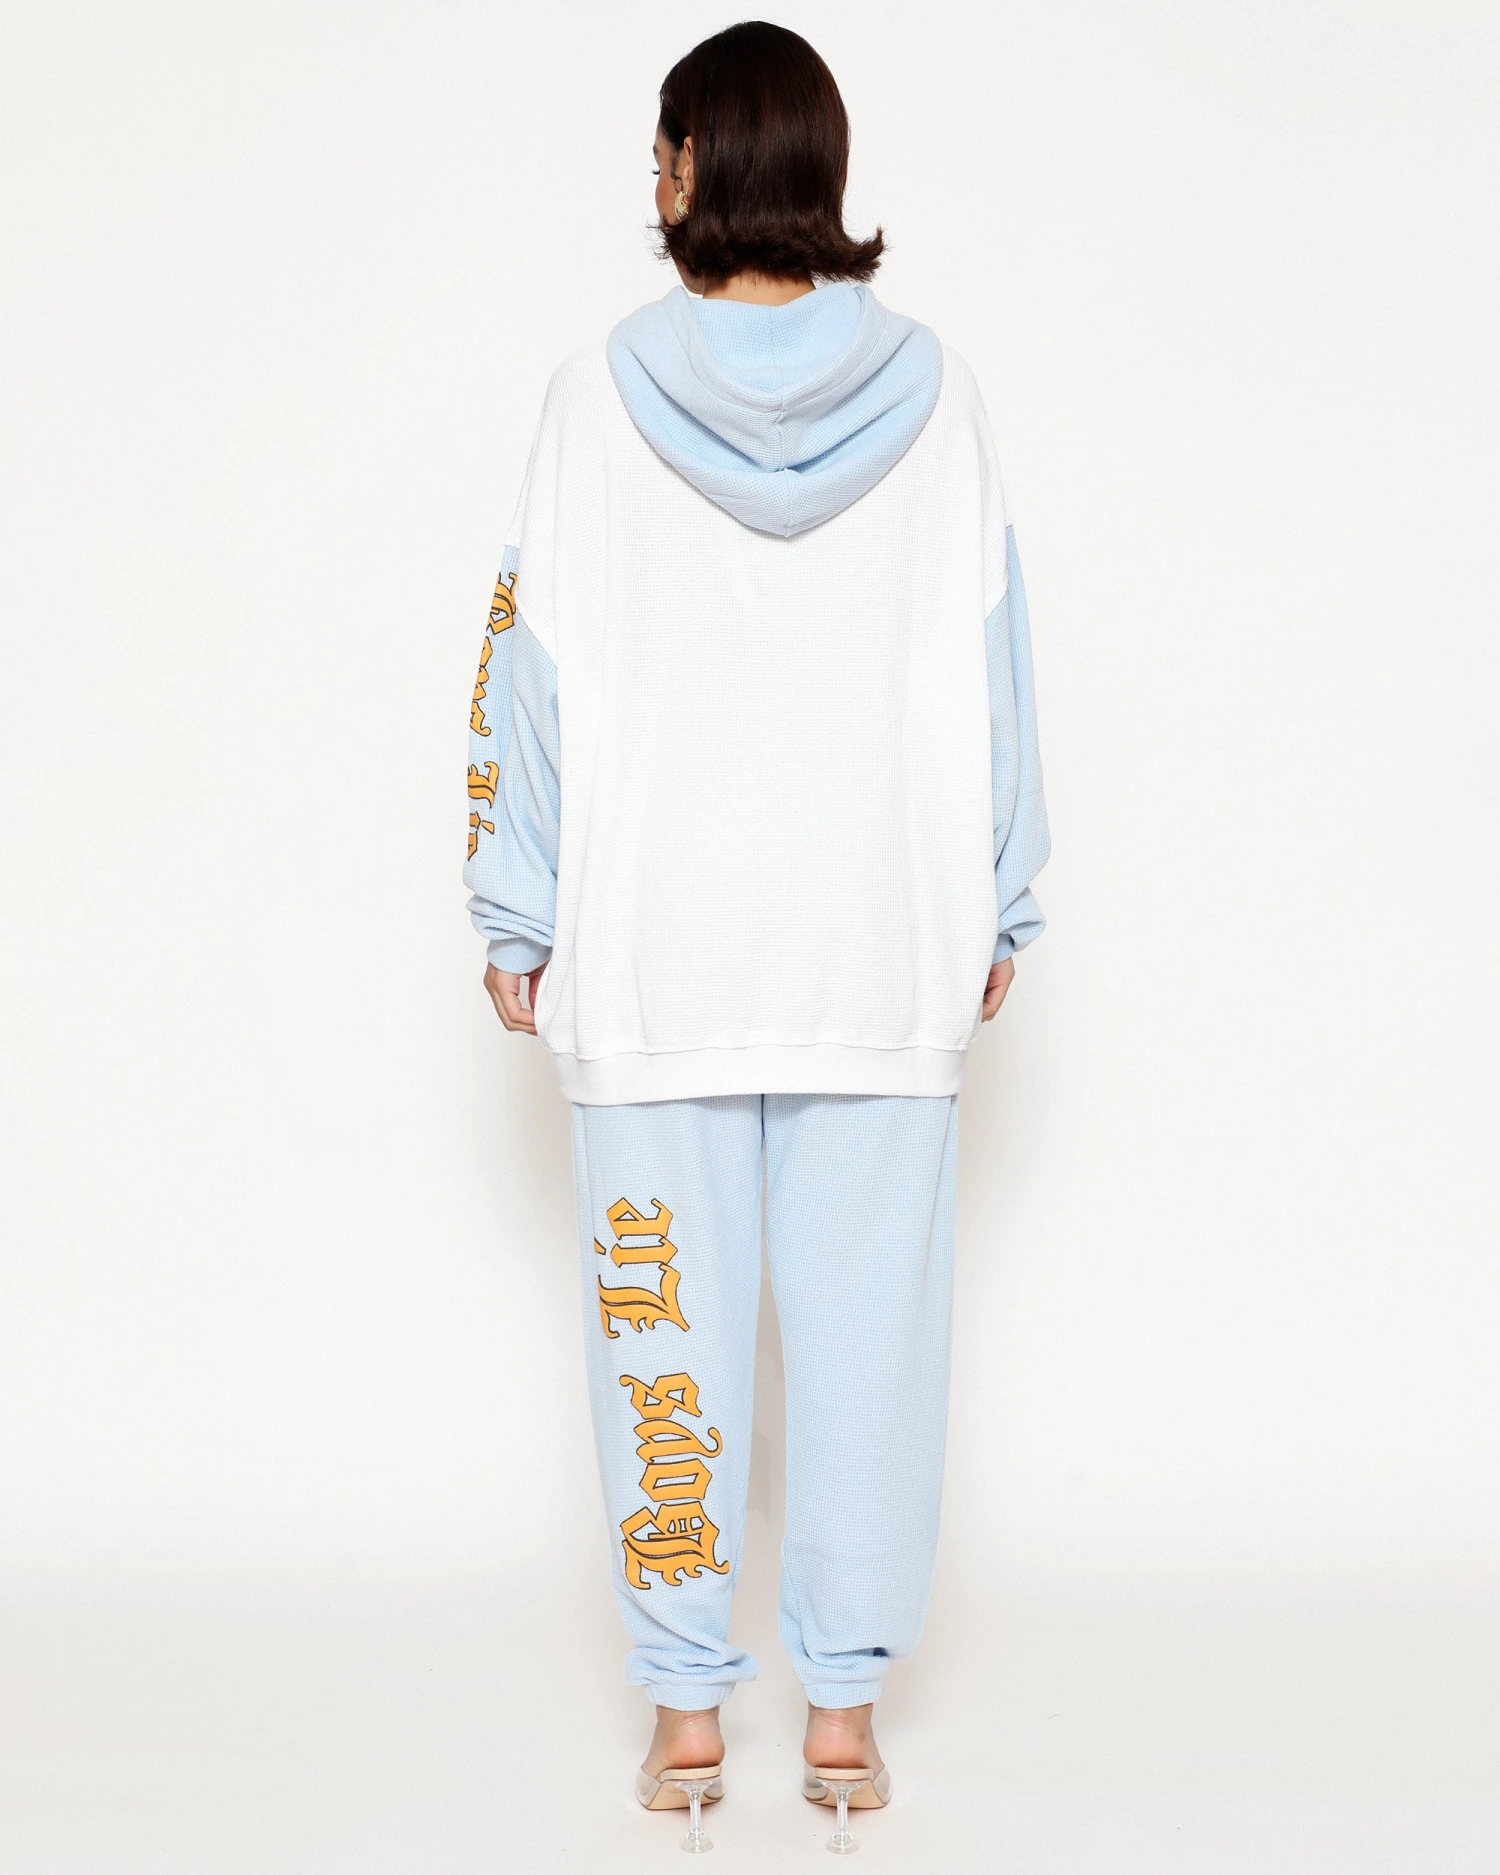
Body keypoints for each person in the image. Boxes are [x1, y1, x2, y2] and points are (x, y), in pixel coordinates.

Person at [463, 20, 1049, 1847]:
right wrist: (1003, 887)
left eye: (662, 149)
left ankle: (687, 1717)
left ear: (691, 166)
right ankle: (845, 1723)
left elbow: (527, 672)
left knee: (666, 1349)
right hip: (880, 935)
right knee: (874, 1350)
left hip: (653, 949)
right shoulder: (944, 396)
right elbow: (998, 661)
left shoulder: (589, 398)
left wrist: (515, 903)